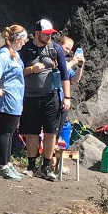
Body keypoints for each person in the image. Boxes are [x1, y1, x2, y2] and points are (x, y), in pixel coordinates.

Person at [19, 19, 71, 181]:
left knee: (50, 132)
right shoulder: (25, 49)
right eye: (45, 33)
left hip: (51, 96)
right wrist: (31, 70)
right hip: (30, 96)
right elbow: (17, 72)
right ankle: (31, 166)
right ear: (37, 33)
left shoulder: (55, 49)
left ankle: (46, 167)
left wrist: (67, 97)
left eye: (50, 34)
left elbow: (64, 74)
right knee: (31, 132)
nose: (49, 36)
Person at [0, 25, 27, 181]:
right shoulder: (4, 54)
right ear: (17, 39)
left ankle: (8, 163)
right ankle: (2, 166)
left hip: (15, 98)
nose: (24, 43)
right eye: (23, 39)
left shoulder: (14, 54)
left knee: (10, 133)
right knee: (5, 131)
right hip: (8, 98)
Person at [57, 35, 86, 139]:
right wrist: (73, 61)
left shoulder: (65, 62)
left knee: (59, 128)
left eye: (70, 49)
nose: (68, 51)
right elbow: (60, 70)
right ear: (59, 44)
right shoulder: (52, 58)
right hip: (52, 98)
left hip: (63, 99)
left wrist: (80, 66)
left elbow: (74, 80)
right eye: (66, 48)